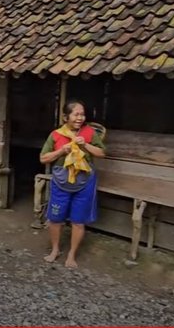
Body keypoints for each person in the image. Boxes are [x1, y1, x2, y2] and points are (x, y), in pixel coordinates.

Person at [40, 99, 105, 268]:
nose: (80, 118)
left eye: (82, 114)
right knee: (55, 218)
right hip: (61, 181)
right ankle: (55, 250)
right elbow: (43, 158)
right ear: (65, 117)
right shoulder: (56, 135)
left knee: (78, 221)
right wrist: (62, 150)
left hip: (84, 181)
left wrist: (86, 146)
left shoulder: (89, 132)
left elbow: (102, 153)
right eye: (76, 114)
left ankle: (72, 255)